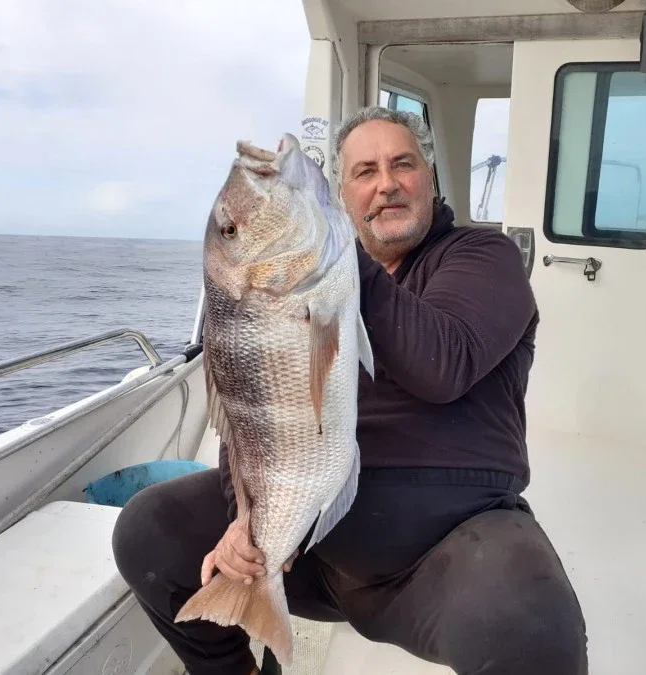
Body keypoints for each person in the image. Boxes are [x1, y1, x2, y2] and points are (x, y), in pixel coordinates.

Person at [111, 106, 588, 675]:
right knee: (148, 531)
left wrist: (325, 255)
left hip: (447, 552)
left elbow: (443, 365)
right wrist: (246, 521)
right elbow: (252, 415)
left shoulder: (482, 257)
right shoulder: (314, 282)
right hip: (315, 547)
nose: (386, 184)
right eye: (365, 172)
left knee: (532, 632)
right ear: (343, 193)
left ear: (430, 179)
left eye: (402, 165)